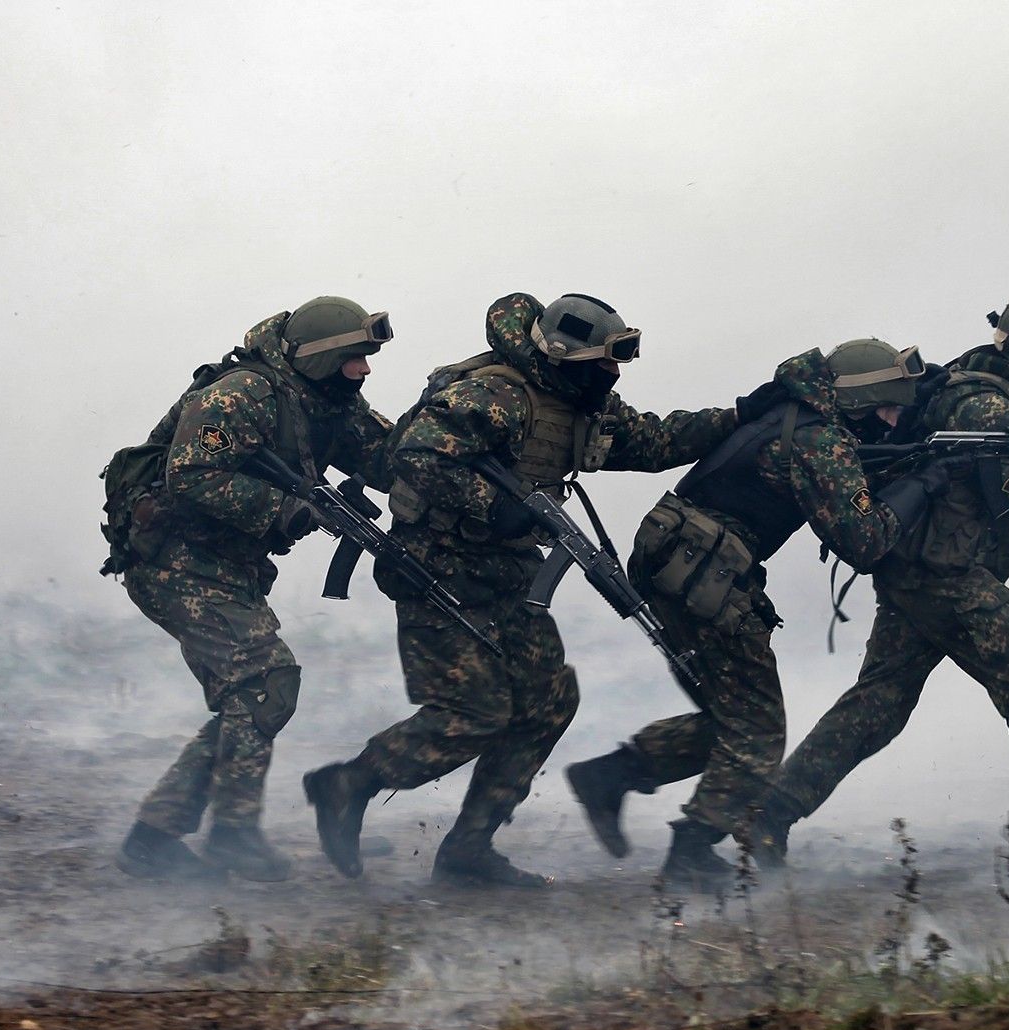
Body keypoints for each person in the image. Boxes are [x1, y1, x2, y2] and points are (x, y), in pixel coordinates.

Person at [302, 292, 737, 889]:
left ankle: (468, 850)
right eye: (600, 363)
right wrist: (494, 505)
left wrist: (741, 417)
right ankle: (348, 783)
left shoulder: (579, 401)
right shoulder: (493, 394)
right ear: (561, 356)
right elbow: (414, 457)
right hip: (438, 570)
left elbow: (656, 442)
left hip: (508, 575)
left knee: (548, 700)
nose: (611, 375)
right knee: (474, 712)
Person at [750, 288, 1009, 876]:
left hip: (919, 567)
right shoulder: (984, 405)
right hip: (947, 574)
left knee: (879, 704)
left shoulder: (980, 381)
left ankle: (768, 816)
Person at [565, 339, 954, 891]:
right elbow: (865, 542)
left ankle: (612, 775)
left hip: (676, 559)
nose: (894, 420)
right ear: (863, 400)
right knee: (758, 731)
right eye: (889, 407)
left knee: (730, 718)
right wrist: (923, 482)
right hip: (708, 572)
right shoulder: (821, 442)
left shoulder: (792, 412)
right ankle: (692, 851)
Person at [107, 297, 397, 883]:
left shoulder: (329, 403)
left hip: (223, 566)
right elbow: (189, 475)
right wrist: (285, 508)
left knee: (255, 695)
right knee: (265, 682)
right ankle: (231, 834)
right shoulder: (243, 394)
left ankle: (156, 836)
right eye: (354, 358)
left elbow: (389, 459)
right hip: (174, 561)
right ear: (321, 359)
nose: (364, 370)